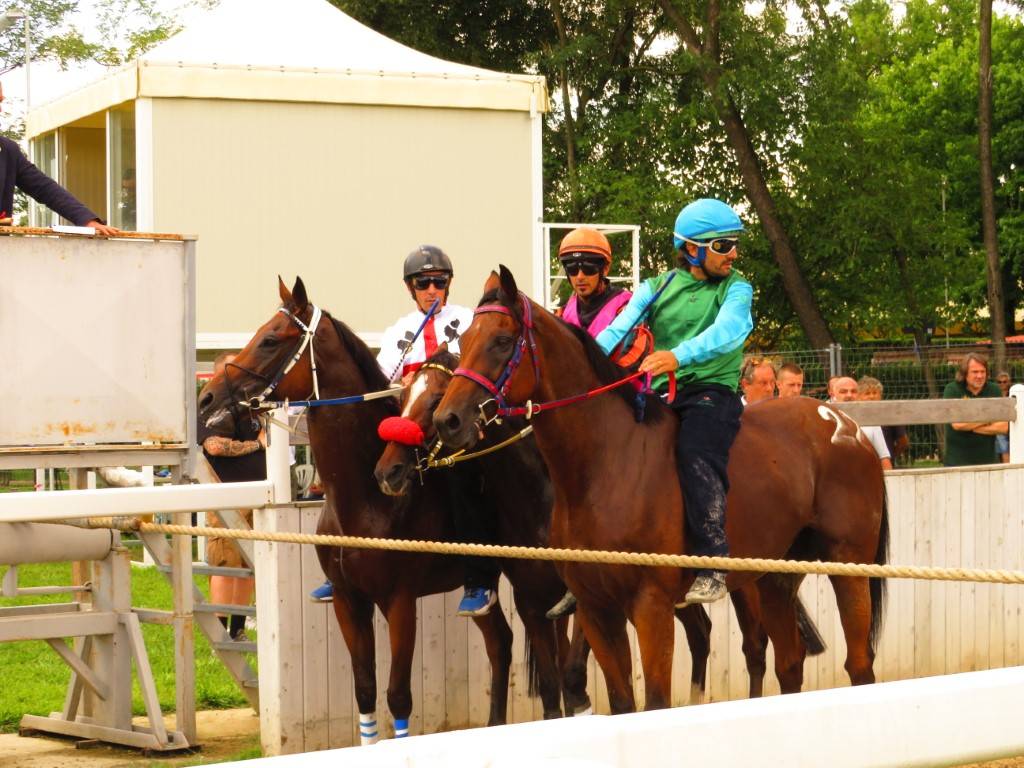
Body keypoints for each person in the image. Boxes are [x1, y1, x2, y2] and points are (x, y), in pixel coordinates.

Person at [311, 246, 501, 617]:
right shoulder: (399, 330)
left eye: (439, 282)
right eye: (423, 283)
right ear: (410, 288)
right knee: (359, 476)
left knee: (466, 487)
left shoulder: (468, 320)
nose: (432, 289)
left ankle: (479, 580)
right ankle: (341, 568)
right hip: (415, 436)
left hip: (455, 436)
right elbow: (383, 385)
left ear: (448, 285)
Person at [596, 198, 753, 605]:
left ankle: (714, 563)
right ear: (691, 249)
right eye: (722, 245)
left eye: (733, 244)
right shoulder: (655, 287)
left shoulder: (737, 289)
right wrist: (587, 362)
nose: (732, 253)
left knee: (695, 452)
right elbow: (617, 330)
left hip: (713, 394)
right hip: (661, 394)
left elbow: (731, 331)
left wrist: (677, 356)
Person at [197, 352, 263, 641]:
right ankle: (219, 635)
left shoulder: (250, 405)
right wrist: (257, 446)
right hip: (226, 493)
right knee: (226, 563)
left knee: (250, 563)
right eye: (232, 371)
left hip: (258, 493)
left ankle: (237, 629)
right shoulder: (211, 406)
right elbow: (214, 446)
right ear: (216, 375)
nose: (240, 376)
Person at [0, 80, 117, 234]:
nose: (1, 109)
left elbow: (45, 188)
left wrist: (86, 220)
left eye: (1, 101)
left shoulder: (8, 149)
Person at [556, 227, 631, 336]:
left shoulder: (626, 308)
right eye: (572, 269)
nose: (580, 277)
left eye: (588, 268)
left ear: (605, 269)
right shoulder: (562, 315)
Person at [943, 353, 1007, 467]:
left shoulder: (994, 389)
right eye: (975, 372)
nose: (980, 376)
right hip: (957, 462)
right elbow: (958, 424)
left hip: (989, 463)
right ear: (964, 373)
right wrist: (989, 419)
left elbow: (1003, 427)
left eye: (983, 371)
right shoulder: (952, 389)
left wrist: (971, 426)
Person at [829, 376, 892, 470]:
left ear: (858, 394)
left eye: (853, 391)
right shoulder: (825, 418)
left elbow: (884, 458)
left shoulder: (870, 420)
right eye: (843, 392)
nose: (849, 395)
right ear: (833, 394)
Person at [857, 376, 909, 466]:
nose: (872, 396)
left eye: (875, 393)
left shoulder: (889, 414)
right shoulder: (855, 414)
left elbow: (903, 441)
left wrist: (890, 455)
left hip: (885, 464)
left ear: (880, 395)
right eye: (867, 393)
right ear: (859, 396)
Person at [995, 371, 1012, 463]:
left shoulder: (1013, 393)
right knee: (1001, 440)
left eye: (1005, 381)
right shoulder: (994, 394)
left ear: (1009, 382)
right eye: (999, 382)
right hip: (999, 423)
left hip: (1012, 423)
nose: (1002, 384)